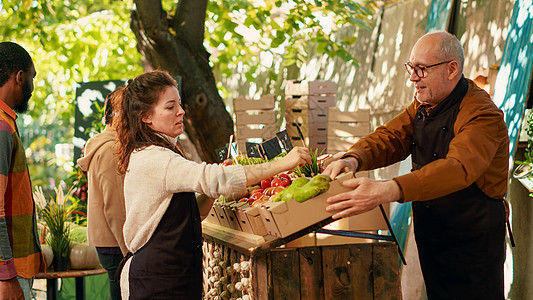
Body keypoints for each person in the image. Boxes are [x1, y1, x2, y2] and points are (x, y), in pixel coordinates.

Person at [323, 31, 509, 300]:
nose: (412, 78)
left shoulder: (482, 114)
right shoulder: (425, 103)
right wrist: (354, 158)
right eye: (411, 68)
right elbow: (392, 136)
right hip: (433, 229)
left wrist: (388, 190)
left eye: (421, 69)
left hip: (472, 239)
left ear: (451, 69)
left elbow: (457, 167)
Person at [114, 70, 311, 299]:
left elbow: (189, 214)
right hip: (157, 280)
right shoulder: (155, 158)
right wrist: (284, 163)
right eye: (170, 107)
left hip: (169, 274)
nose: (181, 112)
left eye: (180, 104)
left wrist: (211, 194)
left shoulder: (158, 152)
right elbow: (217, 178)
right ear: (146, 116)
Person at [0, 42, 45, 299]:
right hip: (10, 272)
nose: (32, 87)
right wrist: (7, 276)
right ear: (19, 77)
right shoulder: (1, 126)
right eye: (32, 77)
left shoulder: (6, 123)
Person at [77, 89, 126, 300]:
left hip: (110, 240)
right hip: (115, 242)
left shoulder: (105, 145)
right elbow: (115, 206)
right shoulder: (111, 149)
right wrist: (129, 250)